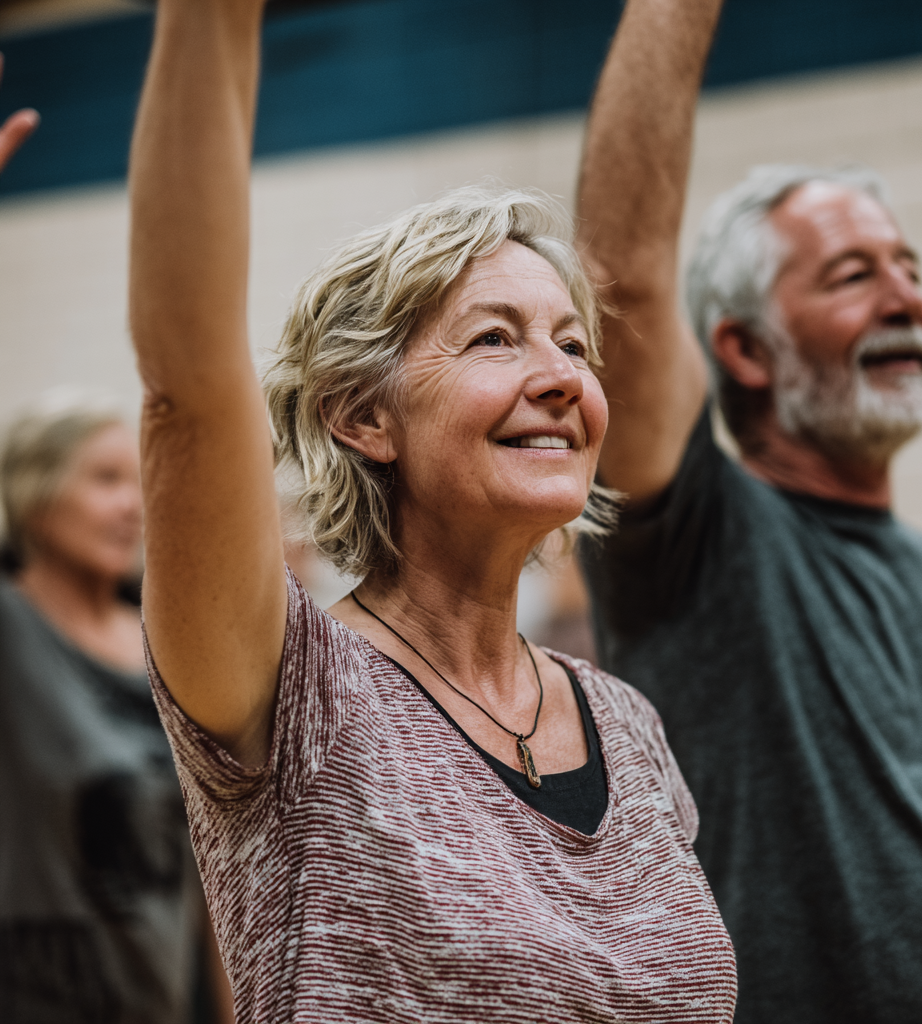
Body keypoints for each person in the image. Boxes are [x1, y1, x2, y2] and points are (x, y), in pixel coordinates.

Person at [126, 0, 737, 1021]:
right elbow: (185, 392)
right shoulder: (299, 692)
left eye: (573, 346)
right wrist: (211, 21)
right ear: (364, 413)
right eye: (496, 337)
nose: (558, 378)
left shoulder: (626, 725)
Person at [574, 0, 922, 1021]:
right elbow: (622, 286)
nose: (905, 297)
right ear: (743, 350)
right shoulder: (697, 539)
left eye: (909, 269)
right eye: (854, 275)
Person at [0, 392, 231, 1023]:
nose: (134, 506)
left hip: (159, 992)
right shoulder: (12, 629)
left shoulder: (166, 642)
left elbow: (210, 857)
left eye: (140, 482)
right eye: (105, 480)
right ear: (34, 492)